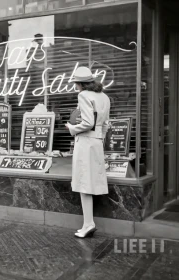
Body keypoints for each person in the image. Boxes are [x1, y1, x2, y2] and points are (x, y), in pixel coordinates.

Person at [65, 66, 110, 238]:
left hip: (85, 142)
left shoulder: (83, 95)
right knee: (89, 183)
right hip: (97, 142)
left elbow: (87, 123)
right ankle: (87, 223)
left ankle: (88, 223)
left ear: (80, 83)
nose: (75, 86)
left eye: (76, 82)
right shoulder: (104, 96)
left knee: (84, 183)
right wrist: (100, 139)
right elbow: (105, 124)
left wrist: (71, 128)